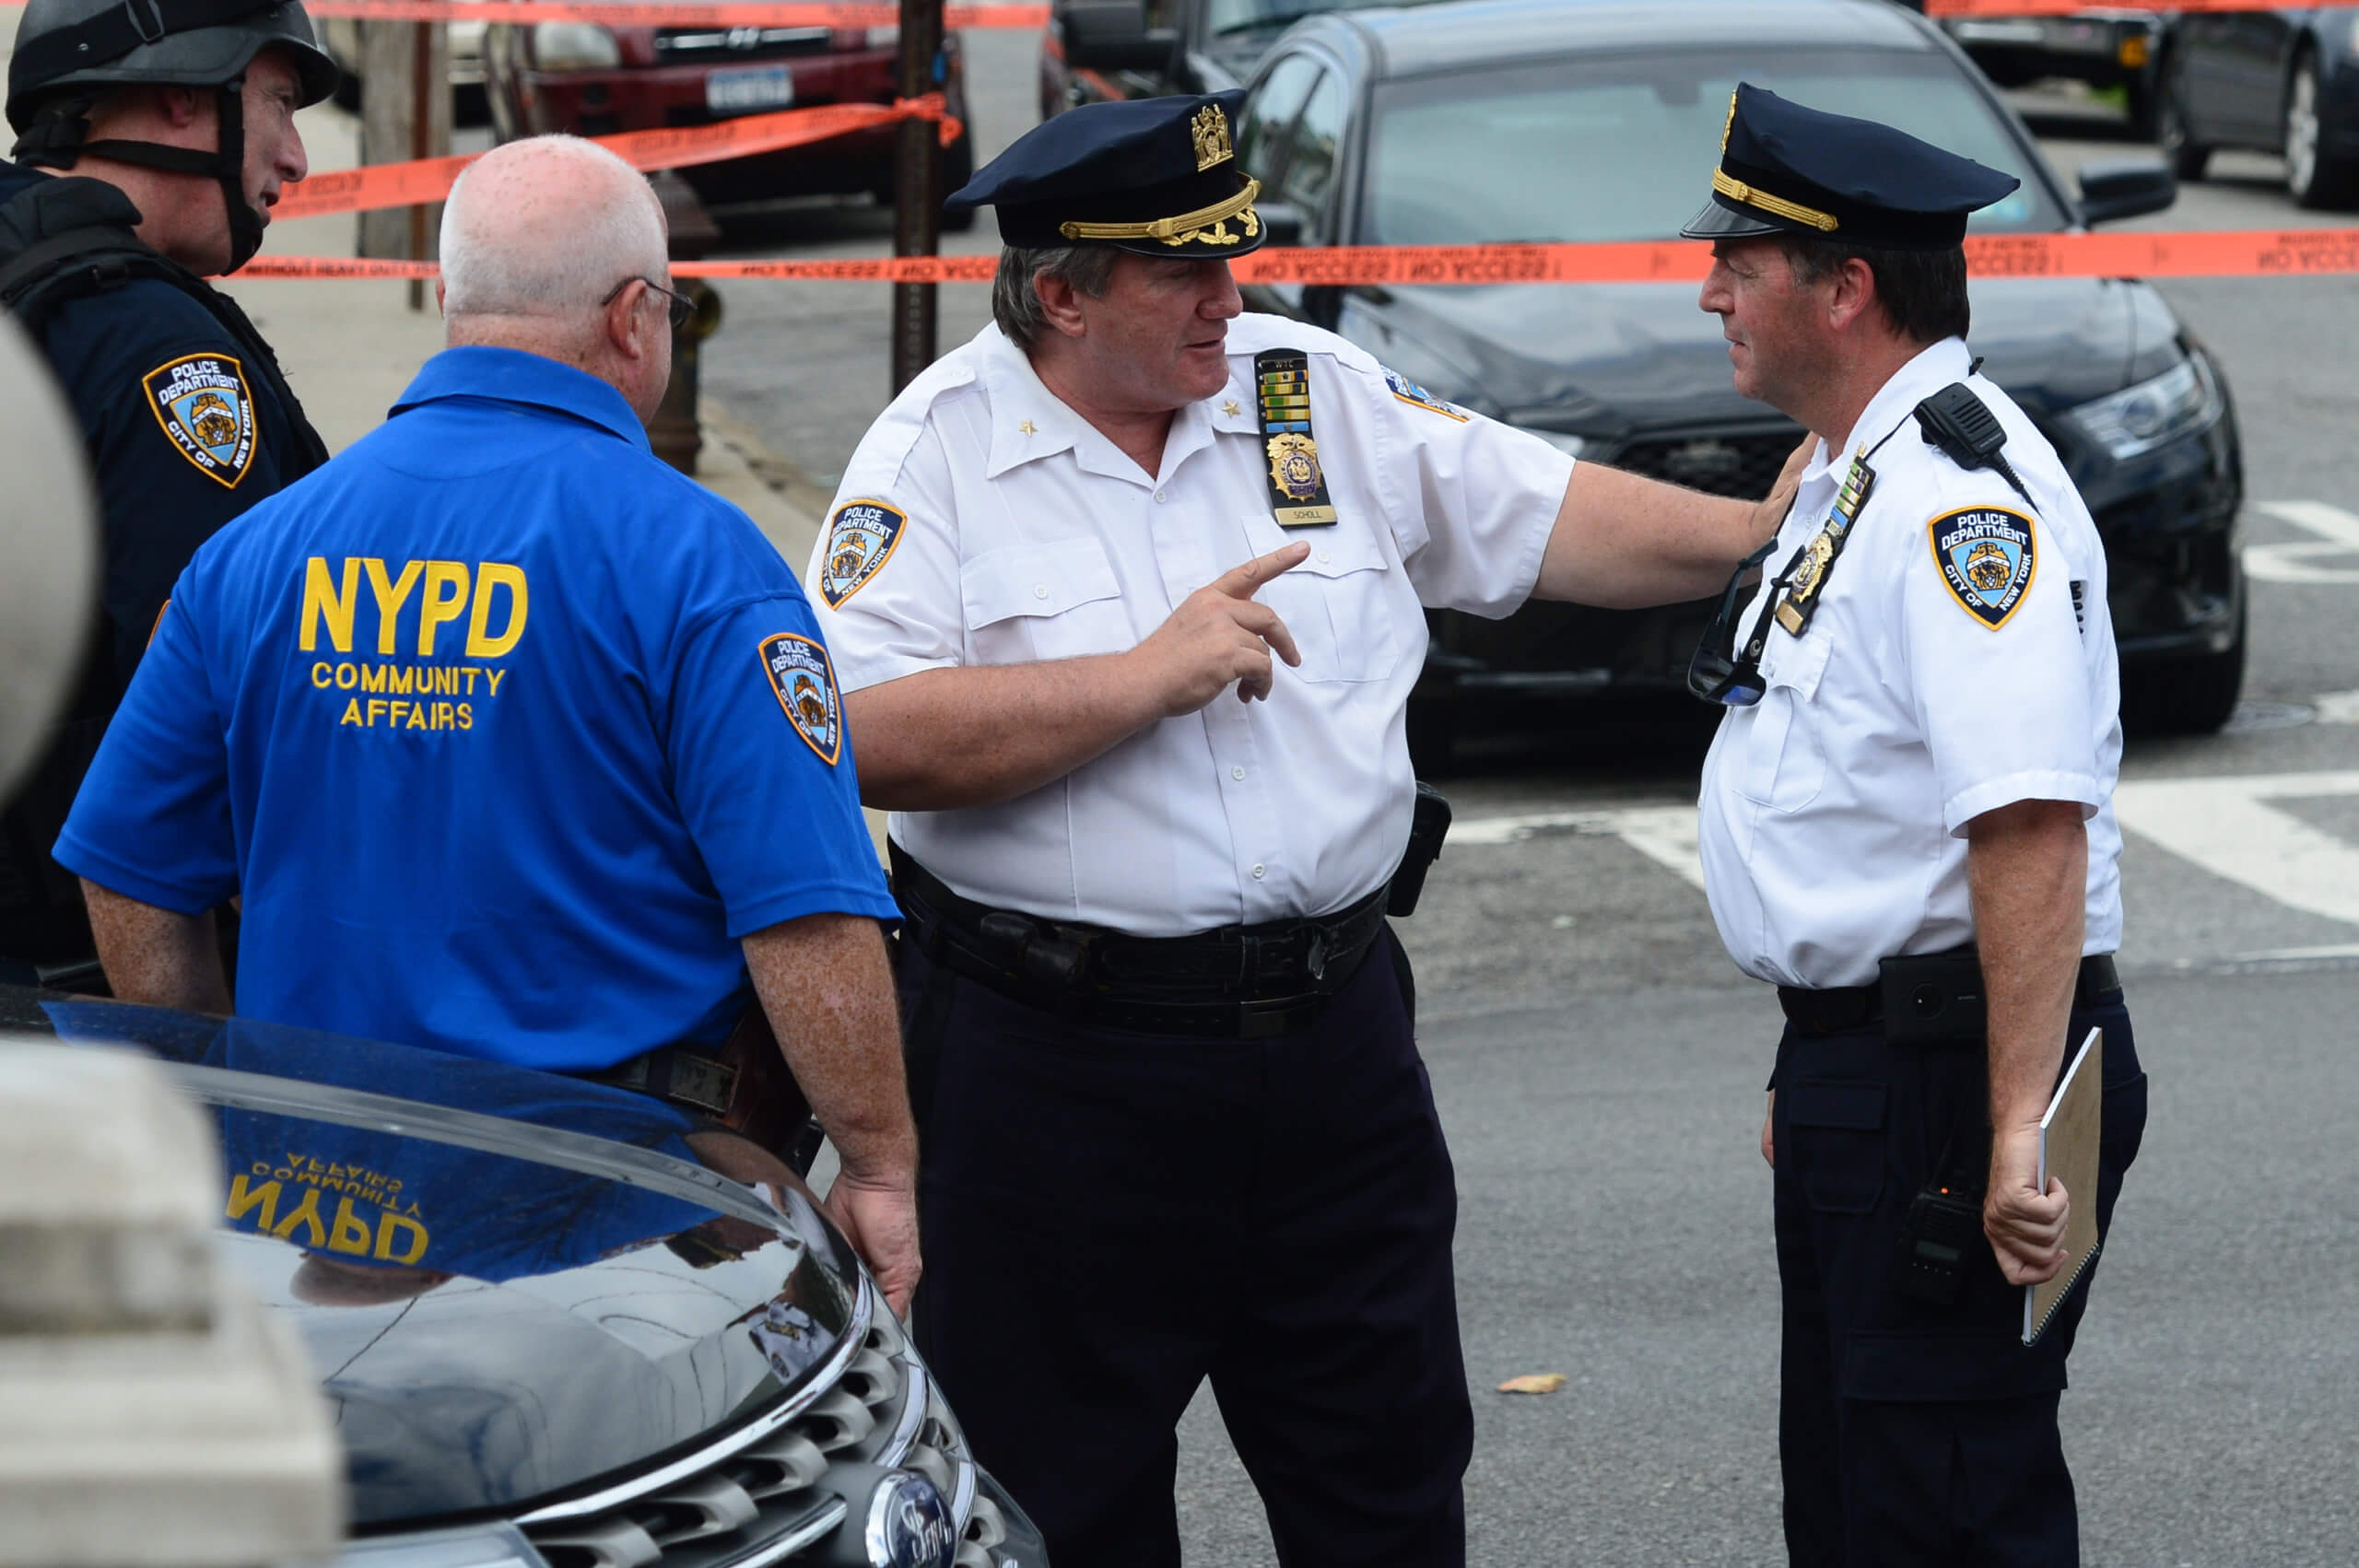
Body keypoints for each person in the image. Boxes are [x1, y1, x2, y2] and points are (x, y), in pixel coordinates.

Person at [805, 91, 1800, 1566]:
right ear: (1062, 292)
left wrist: (1751, 535)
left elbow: (1538, 517)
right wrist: (1143, 677)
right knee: (1057, 1504)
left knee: (1388, 1483)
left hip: (1329, 1054)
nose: (1231, 295)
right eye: (1182, 271)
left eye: (1235, 255)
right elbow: (859, 730)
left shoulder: (1301, 389)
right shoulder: (936, 451)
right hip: (1050, 1070)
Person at [49, 135, 921, 1310]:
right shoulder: (699, 562)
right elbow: (805, 915)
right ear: (632, 316)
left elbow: (129, 872)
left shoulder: (251, 555)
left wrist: (240, 1094)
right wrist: (878, 1166)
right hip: (615, 1205)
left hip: (328, 1195)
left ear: (455, 302)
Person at [1681, 85, 2148, 1564]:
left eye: (1739, 266)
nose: (1710, 294)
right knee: (1857, 1487)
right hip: (1878, 1057)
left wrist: (2015, 1122)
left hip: (1952, 1074)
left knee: (1945, 1502)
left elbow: (2027, 828)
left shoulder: (1955, 503)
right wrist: (1818, 1045)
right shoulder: (1850, 468)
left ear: (1848, 286)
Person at [0, 0, 334, 987]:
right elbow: (233, 712)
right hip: (82, 981)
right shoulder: (160, 352)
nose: (296, 156)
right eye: (277, 101)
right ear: (181, 99)